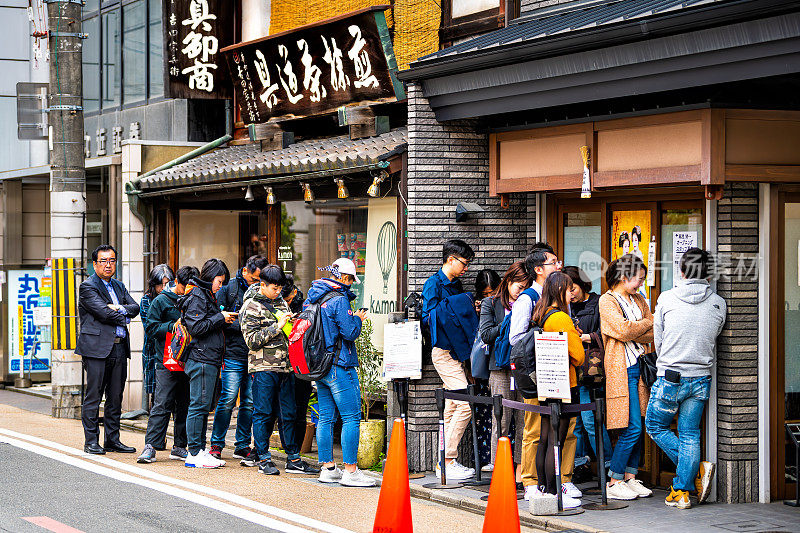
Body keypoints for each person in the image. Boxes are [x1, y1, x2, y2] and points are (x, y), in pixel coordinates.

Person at [646, 248, 726, 509]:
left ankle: (690, 479)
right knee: (690, 433)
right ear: (708, 275)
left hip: (670, 376)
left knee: (656, 426)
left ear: (681, 271)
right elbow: (715, 336)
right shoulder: (718, 303)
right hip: (702, 376)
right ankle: (682, 490)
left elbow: (658, 340)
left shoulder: (666, 299)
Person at [512, 244, 580, 502]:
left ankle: (563, 480)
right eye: (553, 262)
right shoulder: (527, 299)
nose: (558, 266)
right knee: (534, 430)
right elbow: (516, 340)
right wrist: (546, 343)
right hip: (538, 376)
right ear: (539, 269)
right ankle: (531, 482)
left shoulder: (559, 297)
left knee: (567, 429)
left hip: (561, 376)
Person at [240, 264, 320, 476]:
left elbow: (288, 331)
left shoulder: (281, 303)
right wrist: (277, 326)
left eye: (280, 289)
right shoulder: (250, 306)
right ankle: (263, 458)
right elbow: (251, 341)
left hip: (286, 367)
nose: (278, 293)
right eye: (274, 289)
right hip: (263, 367)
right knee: (263, 413)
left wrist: (292, 324)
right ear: (262, 284)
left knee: (290, 413)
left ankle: (293, 458)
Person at [305, 258, 376, 487]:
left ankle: (327, 468)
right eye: (351, 280)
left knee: (325, 417)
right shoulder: (339, 299)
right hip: (340, 365)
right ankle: (351, 471)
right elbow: (350, 332)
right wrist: (358, 318)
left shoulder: (314, 296)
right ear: (344, 278)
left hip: (320, 366)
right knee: (351, 417)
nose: (352, 285)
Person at [421, 239, 477, 481]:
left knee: (453, 406)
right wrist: (460, 304)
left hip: (458, 352)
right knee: (465, 404)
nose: (466, 268)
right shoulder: (433, 284)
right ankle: (447, 460)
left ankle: (444, 462)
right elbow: (428, 318)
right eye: (464, 263)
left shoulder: (457, 284)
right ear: (450, 259)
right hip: (443, 352)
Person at [599, 254, 654, 500]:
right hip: (622, 370)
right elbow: (621, 330)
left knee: (639, 424)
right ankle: (614, 480)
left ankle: (631, 477)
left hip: (640, 369)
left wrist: (637, 327)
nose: (641, 284)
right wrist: (642, 325)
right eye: (638, 279)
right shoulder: (607, 301)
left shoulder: (639, 299)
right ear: (624, 277)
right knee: (630, 427)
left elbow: (652, 331)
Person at [76, 244, 140, 455]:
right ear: (94, 264)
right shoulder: (88, 287)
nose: (108, 265)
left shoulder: (119, 287)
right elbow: (103, 313)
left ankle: (113, 440)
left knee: (115, 397)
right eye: (103, 261)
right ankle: (91, 441)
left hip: (120, 348)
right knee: (94, 396)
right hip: (96, 349)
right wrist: (122, 313)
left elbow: (136, 308)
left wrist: (118, 308)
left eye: (112, 260)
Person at [529, 272, 585, 509]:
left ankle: (543, 490)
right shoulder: (561, 317)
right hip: (562, 383)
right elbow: (580, 356)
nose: (572, 294)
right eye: (569, 289)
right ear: (560, 290)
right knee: (557, 439)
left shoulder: (541, 313)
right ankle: (554, 494)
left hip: (545, 382)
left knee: (545, 437)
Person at [209, 255, 269, 463]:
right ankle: (216, 443)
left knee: (250, 402)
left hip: (255, 355)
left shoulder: (264, 292)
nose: (257, 284)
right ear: (245, 271)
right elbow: (219, 319)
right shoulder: (229, 288)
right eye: (254, 279)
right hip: (233, 354)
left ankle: (242, 445)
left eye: (260, 281)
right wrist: (246, 326)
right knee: (227, 399)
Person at [179, 258, 238, 469]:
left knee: (203, 407)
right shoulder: (197, 294)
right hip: (201, 358)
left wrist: (221, 318)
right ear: (211, 277)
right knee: (198, 405)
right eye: (219, 281)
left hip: (208, 358)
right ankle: (194, 453)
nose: (220, 286)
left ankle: (200, 450)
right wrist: (220, 317)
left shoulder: (204, 293)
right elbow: (196, 327)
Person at [138, 266, 198, 464]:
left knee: (184, 404)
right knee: (162, 403)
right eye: (187, 287)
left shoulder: (193, 298)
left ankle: (180, 446)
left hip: (188, 359)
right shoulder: (161, 301)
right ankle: (151, 446)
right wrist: (172, 326)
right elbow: (151, 327)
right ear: (178, 282)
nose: (189, 291)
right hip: (165, 360)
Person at [479, 261, 530, 473]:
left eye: (526, 288)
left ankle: (520, 467)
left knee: (524, 420)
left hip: (523, 368)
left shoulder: (529, 302)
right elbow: (486, 334)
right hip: (500, 369)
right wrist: (510, 323)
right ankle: (499, 465)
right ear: (508, 281)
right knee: (500, 418)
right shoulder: (491, 304)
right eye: (519, 287)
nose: (522, 292)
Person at [563, 266, 612, 478]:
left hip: (591, 369)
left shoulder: (599, 302)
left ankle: (609, 466)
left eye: (573, 288)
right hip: (570, 368)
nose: (571, 293)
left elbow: (608, 332)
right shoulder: (564, 308)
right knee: (577, 423)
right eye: (567, 290)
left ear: (582, 284)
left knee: (590, 420)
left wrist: (587, 338)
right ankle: (580, 464)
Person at [277, 274, 312, 455]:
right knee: (284, 409)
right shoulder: (276, 305)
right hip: (282, 363)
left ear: (295, 293)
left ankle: (296, 449)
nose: (287, 303)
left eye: (288, 299)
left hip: (301, 364)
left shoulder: (306, 307)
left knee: (300, 408)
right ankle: (288, 447)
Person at [472, 268, 500, 469]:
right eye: (485, 295)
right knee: (482, 413)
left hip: (499, 364)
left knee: (501, 413)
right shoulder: (474, 307)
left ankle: (499, 457)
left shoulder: (505, 305)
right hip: (482, 367)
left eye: (493, 293)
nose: (489, 297)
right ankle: (484, 459)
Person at [140, 264, 175, 408]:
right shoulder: (146, 300)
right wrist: (172, 324)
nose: (162, 288)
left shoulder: (176, 298)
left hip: (174, 351)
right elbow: (151, 328)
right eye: (160, 284)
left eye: (166, 284)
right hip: (154, 351)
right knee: (158, 397)